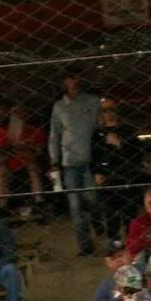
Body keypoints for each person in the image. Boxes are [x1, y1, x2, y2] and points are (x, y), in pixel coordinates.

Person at [49, 67, 102, 253]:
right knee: (75, 205)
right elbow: (54, 134)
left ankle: (97, 224)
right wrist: (54, 160)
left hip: (90, 160)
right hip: (69, 163)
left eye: (74, 77)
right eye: (68, 78)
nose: (72, 82)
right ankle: (85, 245)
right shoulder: (59, 106)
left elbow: (100, 127)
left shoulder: (93, 101)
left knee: (92, 198)